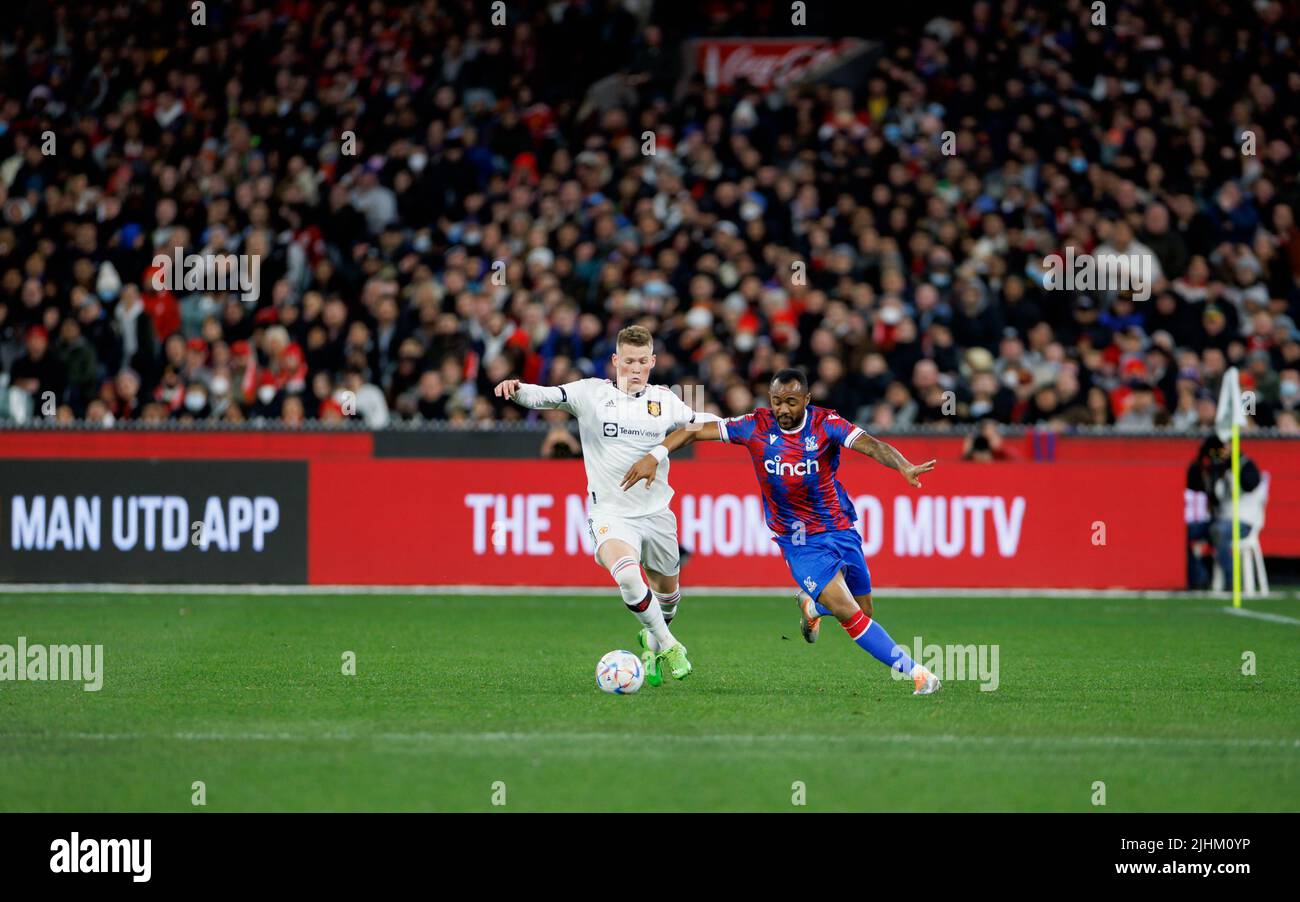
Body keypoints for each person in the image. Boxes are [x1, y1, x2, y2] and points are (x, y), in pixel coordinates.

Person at [622, 368, 942, 695]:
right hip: (799, 541)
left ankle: (812, 607)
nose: (783, 410)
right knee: (849, 613)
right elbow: (693, 431)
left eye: (791, 401)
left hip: (839, 527)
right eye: (777, 402)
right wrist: (654, 455)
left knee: (864, 610)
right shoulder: (755, 426)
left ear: (807, 399)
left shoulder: (826, 423)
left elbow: (872, 445)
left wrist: (903, 465)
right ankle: (917, 673)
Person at [495, 324, 717, 685]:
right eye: (628, 361)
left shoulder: (665, 400)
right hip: (611, 514)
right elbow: (544, 396)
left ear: (653, 362)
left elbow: (698, 423)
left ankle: (655, 633)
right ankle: (669, 644)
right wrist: (516, 389)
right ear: (615, 361)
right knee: (629, 575)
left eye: (642, 362)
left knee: (670, 599)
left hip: (657, 514)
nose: (634, 369)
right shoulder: (590, 393)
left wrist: (743, 427)